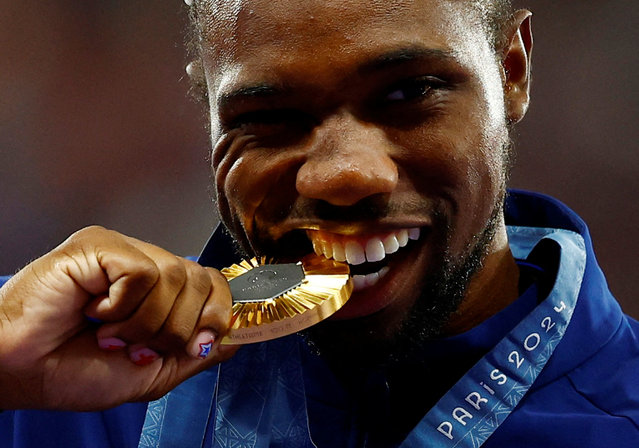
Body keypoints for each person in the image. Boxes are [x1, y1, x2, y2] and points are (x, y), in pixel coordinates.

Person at [1, 0, 638, 447]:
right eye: (269, 116)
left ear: (512, 69)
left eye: (408, 92)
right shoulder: (61, 373)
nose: (343, 175)